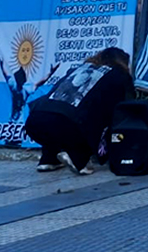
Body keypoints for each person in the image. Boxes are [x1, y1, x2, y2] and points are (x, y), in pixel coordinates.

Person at [25, 47, 134, 175]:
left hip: (34, 121)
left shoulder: (79, 69)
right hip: (68, 125)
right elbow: (123, 108)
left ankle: (49, 160)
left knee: (56, 120)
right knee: (81, 123)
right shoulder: (119, 76)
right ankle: (78, 160)